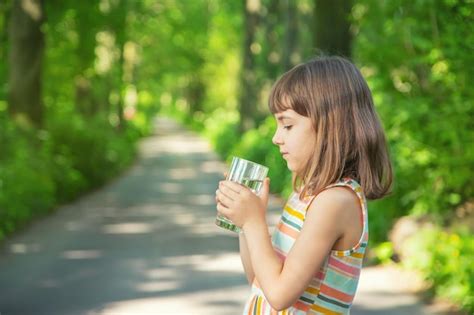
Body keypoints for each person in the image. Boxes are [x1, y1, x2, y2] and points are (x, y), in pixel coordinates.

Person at [215, 56, 393, 314]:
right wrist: (247, 223)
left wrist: (253, 222)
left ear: (330, 126)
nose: (277, 138)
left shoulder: (335, 202)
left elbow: (279, 295)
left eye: (287, 125)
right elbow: (259, 279)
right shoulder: (306, 194)